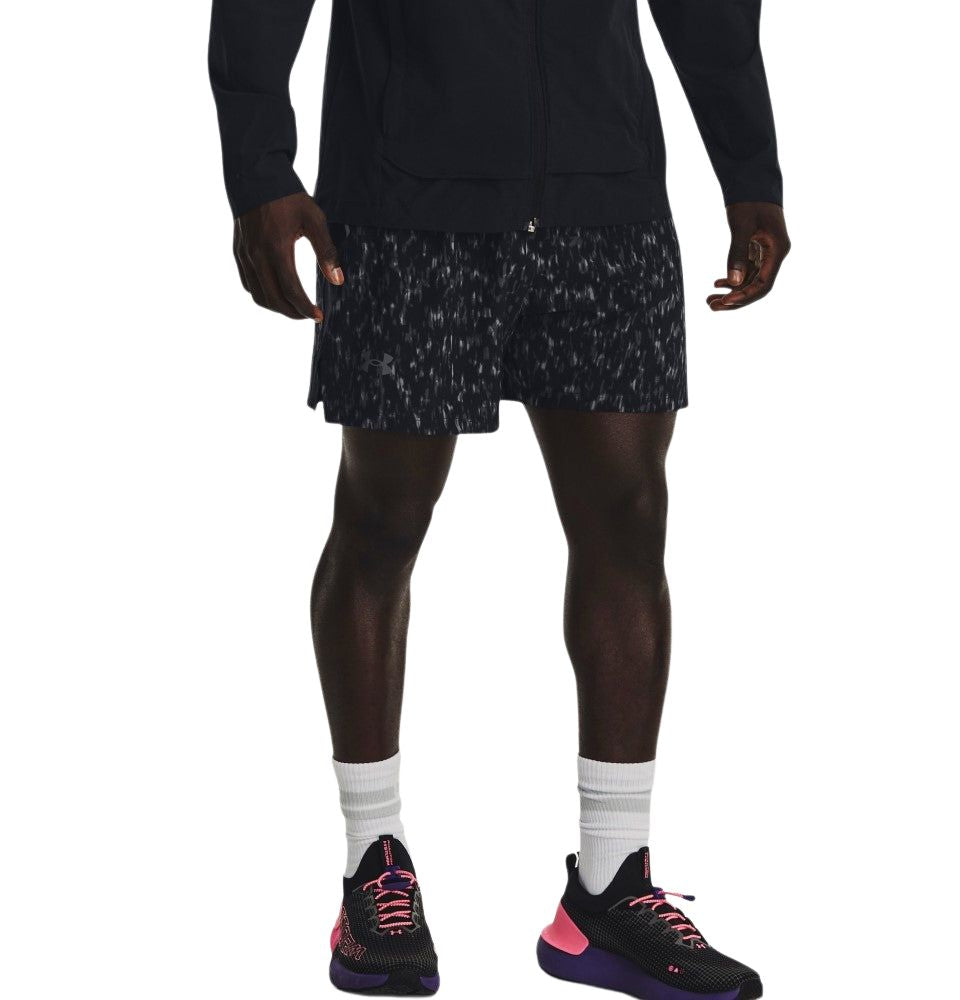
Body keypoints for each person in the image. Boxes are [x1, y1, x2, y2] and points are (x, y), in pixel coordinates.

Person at [209, 1, 789, 996]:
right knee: (382, 520)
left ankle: (609, 885)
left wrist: (751, 175)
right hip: (407, 196)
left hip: (604, 190)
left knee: (628, 521)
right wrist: (260, 169)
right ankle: (373, 861)